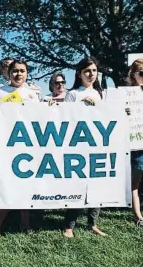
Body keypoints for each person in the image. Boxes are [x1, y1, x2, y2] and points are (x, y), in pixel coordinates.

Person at [0, 59, 42, 241]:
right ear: (8, 73)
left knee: (25, 184)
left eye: (22, 71)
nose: (18, 74)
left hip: (26, 145)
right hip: (4, 145)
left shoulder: (33, 95)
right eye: (15, 71)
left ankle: (25, 223)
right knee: (5, 185)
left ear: (27, 73)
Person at [62, 56, 106, 237]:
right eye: (87, 71)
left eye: (94, 70)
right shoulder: (73, 94)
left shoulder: (100, 94)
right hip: (78, 145)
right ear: (79, 73)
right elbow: (65, 118)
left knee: (97, 184)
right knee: (77, 186)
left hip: (97, 145)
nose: (91, 74)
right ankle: (69, 225)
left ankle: (92, 223)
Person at [126, 59, 143, 227]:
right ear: (134, 75)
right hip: (135, 144)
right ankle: (138, 216)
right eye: (142, 74)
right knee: (135, 182)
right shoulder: (126, 95)